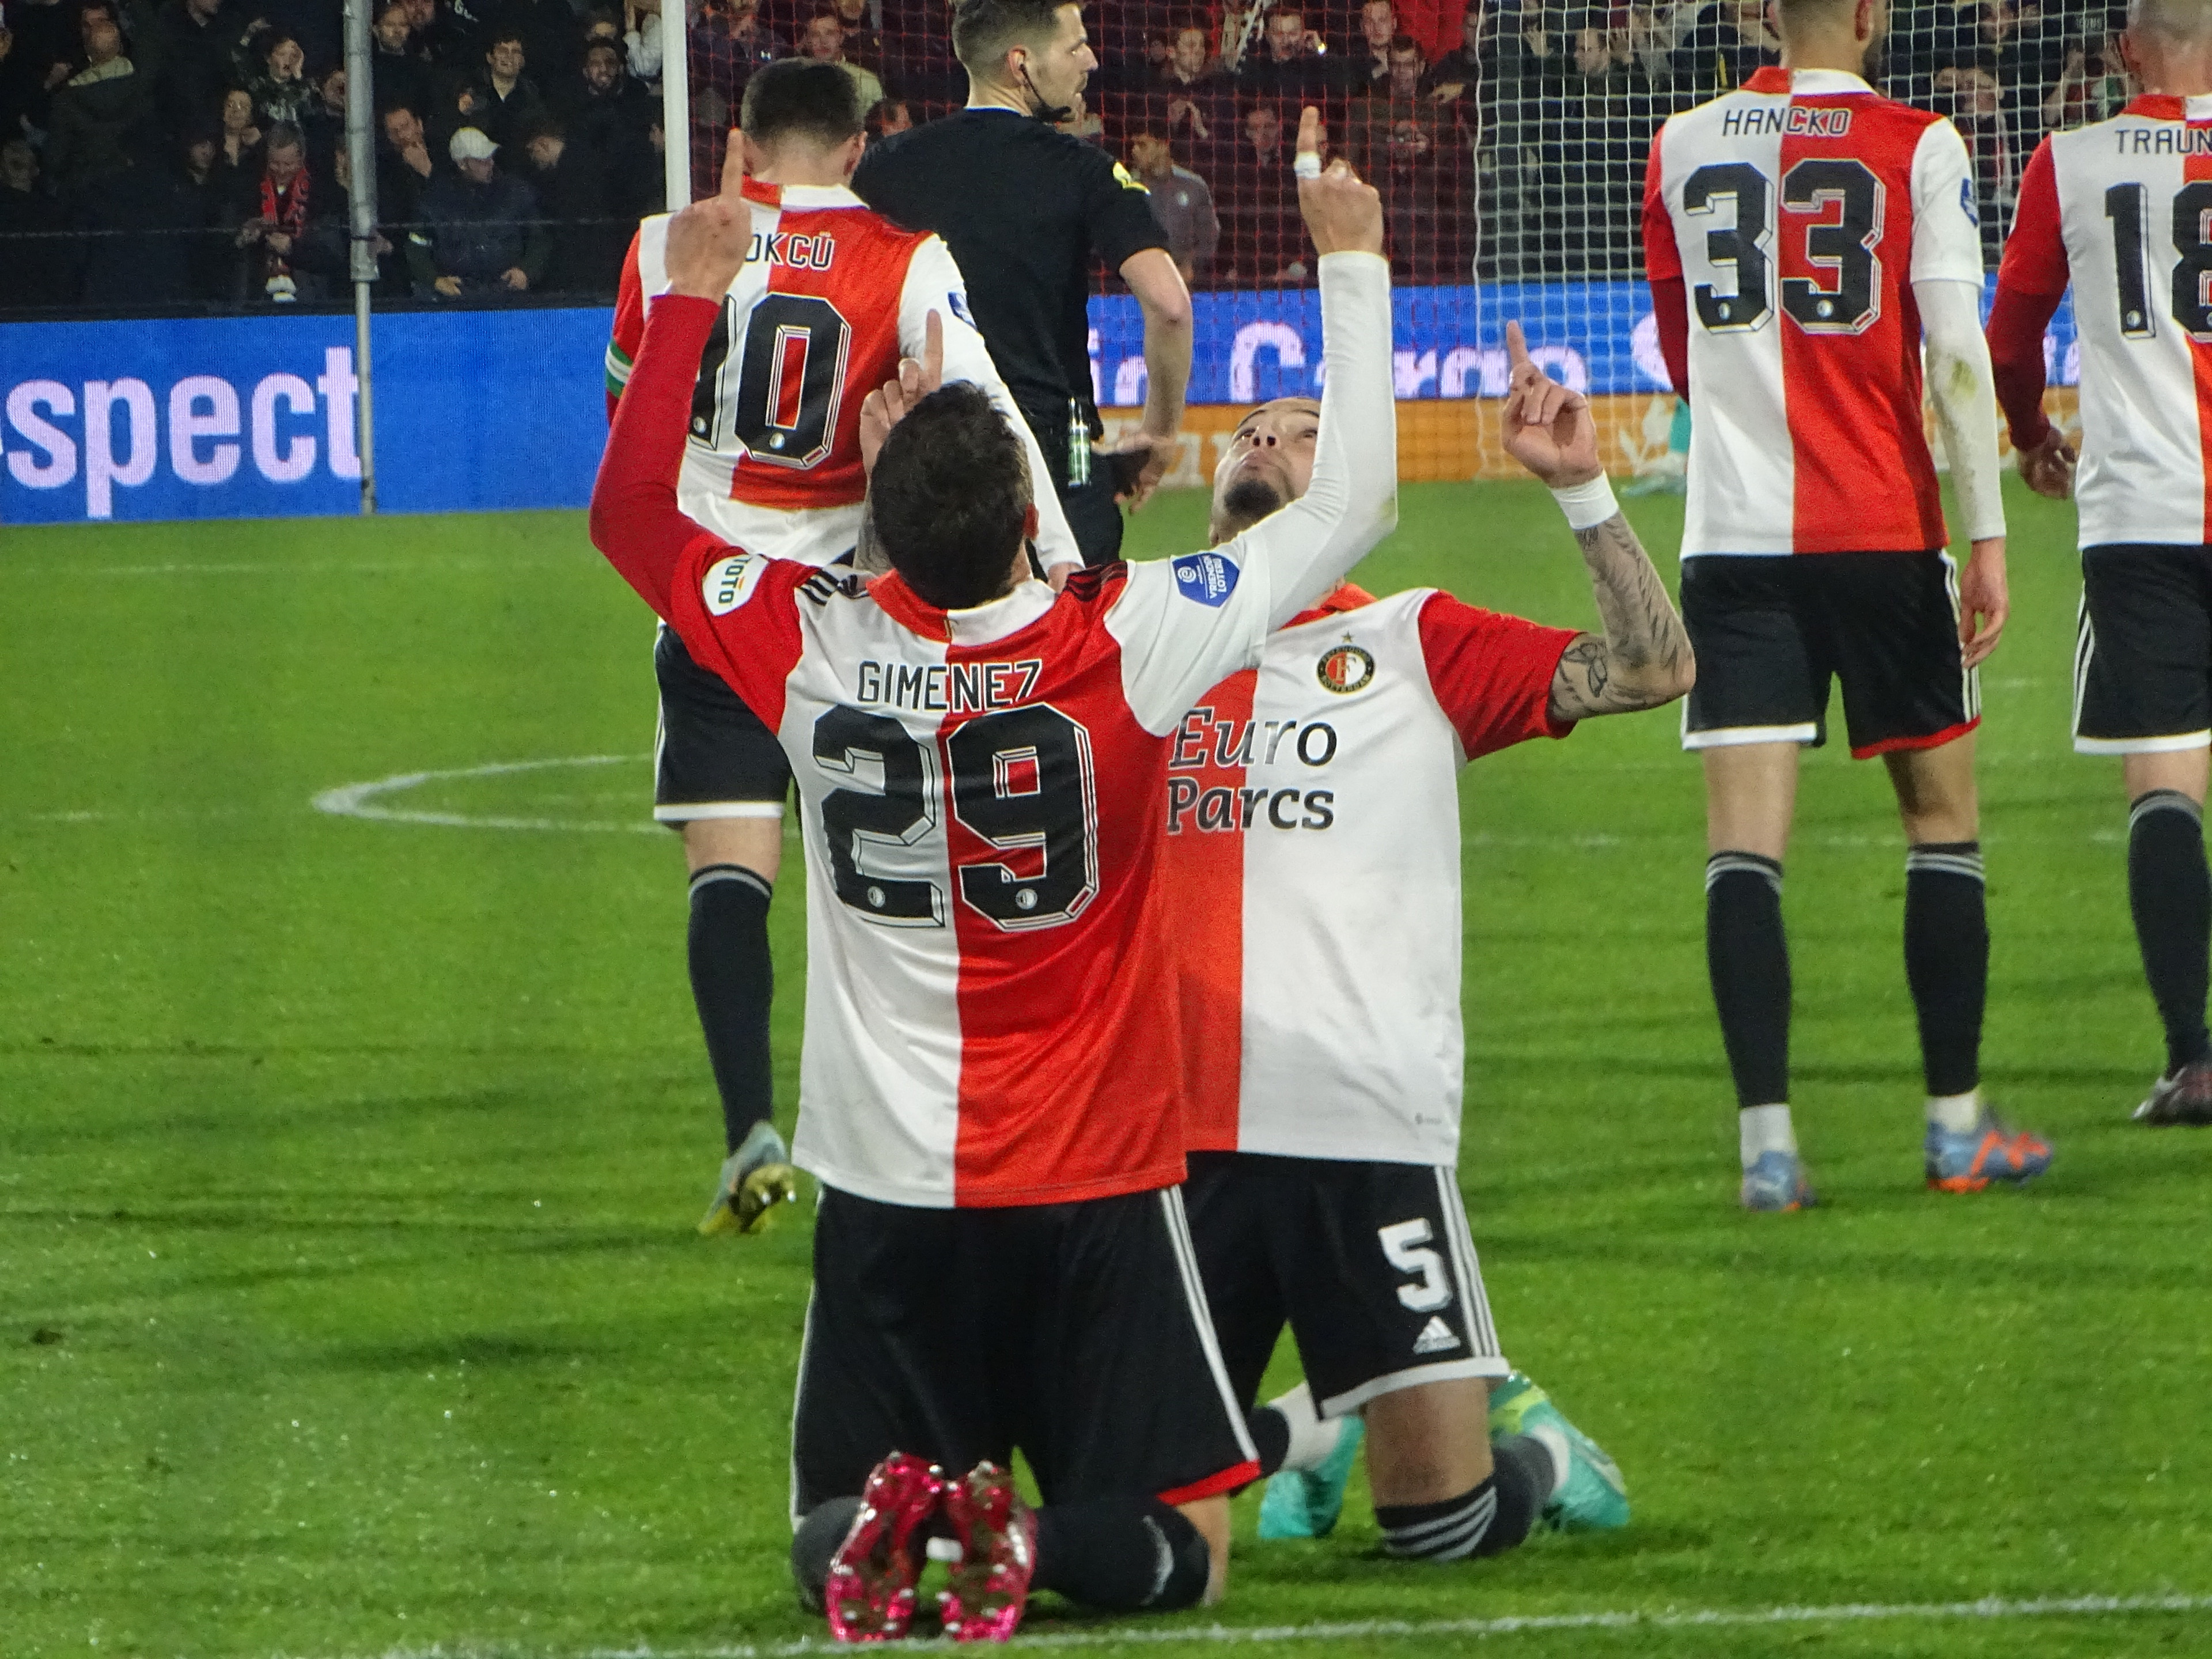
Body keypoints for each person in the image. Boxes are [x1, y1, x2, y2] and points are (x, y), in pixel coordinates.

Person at [589, 111, 1393, 1641]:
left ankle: (910, 1549)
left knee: (831, 1531)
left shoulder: (812, 650)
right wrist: (1348, 266)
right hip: (1092, 1180)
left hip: (889, 1187)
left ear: (877, 523)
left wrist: (695, 286)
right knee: (1186, 1555)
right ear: (1032, 509)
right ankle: (1016, 1541)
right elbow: (1351, 505)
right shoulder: (1126, 642)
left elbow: (633, 513)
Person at [1166, 321, 1688, 1564]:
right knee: (1150, 1499)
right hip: (1173, 1133)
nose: (1261, 442)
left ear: (1346, 484)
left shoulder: (1412, 641)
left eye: (1299, 436)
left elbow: (1654, 672)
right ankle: (1323, 1420)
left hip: (1361, 1123)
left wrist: (1583, 490)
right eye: (1247, 431)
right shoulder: (1145, 640)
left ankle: (1539, 1448)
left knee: (1442, 1535)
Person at [603, 58, 1081, 1235]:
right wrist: (1064, 565)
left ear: (745, 139)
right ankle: (923, 1115)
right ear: (865, 144)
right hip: (846, 620)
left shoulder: (666, 243)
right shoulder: (906, 258)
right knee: (889, 878)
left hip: (713, 605)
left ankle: (749, 1129)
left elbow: (630, 409)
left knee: (729, 878)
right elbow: (994, 421)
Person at [1642, 0, 2054, 1209]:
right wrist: (1986, 536)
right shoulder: (1922, 145)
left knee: (1743, 850)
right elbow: (1958, 355)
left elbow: (1678, 349)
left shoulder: (1681, 143)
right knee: (1940, 823)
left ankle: (1767, 1149)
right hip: (1880, 531)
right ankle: (1953, 1129)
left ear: (1768, 13)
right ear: (1871, 15)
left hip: (1732, 543)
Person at [1985, 0, 2212, 1126]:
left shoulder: (2070, 160)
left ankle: (2194, 1059)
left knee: (2165, 783)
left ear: (2129, 50)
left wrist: (2031, 437)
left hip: (2142, 520)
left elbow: (2011, 338)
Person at [853, 0, 1195, 566]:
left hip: (925, 461)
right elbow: (1170, 305)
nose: (1090, 59)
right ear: (1021, 64)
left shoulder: (881, 168)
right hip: (1058, 459)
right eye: (1074, 46)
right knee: (1065, 643)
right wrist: (1159, 436)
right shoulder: (1084, 169)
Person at [407, 124, 548, 296]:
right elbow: (416, 248)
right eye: (481, 160)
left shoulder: (517, 193)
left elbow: (539, 239)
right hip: (457, 298)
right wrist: (435, 280)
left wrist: (526, 271)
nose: (490, 163)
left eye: (490, 156)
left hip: (509, 295)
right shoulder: (435, 201)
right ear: (462, 164)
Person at [1127, 115, 1218, 285]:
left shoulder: (1194, 186)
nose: (1134, 151)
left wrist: (1191, 265)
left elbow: (1209, 235)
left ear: (1163, 146)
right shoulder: (1127, 189)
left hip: (1186, 281)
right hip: (1140, 283)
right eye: (1133, 145)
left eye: (1142, 145)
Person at [797, 6, 884, 113]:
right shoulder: (795, 82)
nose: (823, 41)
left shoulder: (867, 81)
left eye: (830, 33)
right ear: (806, 41)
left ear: (841, 38)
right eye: (815, 35)